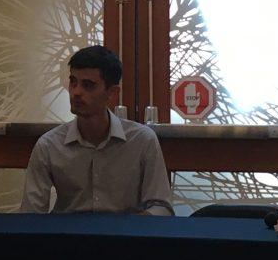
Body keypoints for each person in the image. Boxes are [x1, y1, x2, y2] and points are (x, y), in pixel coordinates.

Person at [21, 45, 173, 215]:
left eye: (88, 85)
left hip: (125, 236)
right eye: (73, 82)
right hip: (68, 236)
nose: (76, 92)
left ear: (112, 92)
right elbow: (30, 213)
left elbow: (161, 206)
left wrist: (133, 226)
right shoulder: (49, 145)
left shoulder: (142, 140)